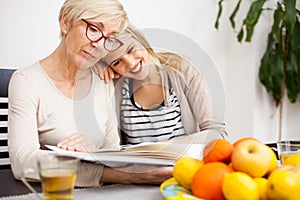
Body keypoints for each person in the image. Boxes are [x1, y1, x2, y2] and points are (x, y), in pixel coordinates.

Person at [8, 0, 172, 187]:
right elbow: (23, 162)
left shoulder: (103, 79)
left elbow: (113, 150)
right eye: (94, 29)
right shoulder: (26, 81)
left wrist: (93, 152)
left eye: (110, 38)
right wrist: (127, 176)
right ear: (66, 22)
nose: (100, 46)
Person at [98, 25, 227, 145]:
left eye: (131, 50)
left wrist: (161, 148)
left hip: (183, 166)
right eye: (117, 62)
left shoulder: (182, 69)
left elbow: (216, 133)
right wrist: (96, 69)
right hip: (137, 169)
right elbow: (108, 144)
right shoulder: (117, 86)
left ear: (141, 40)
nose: (130, 64)